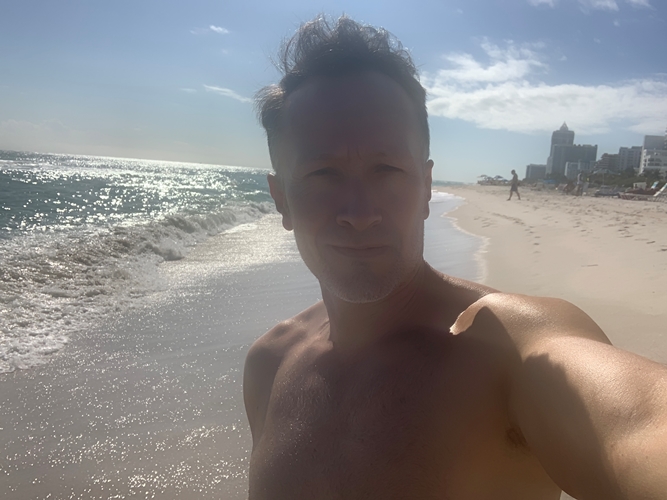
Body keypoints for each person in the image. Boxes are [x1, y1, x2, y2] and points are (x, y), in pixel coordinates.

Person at [244, 16, 667, 499]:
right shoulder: (268, 365)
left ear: (426, 187)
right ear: (281, 198)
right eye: (323, 173)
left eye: (386, 169)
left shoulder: (509, 349)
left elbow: (639, 426)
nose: (359, 214)